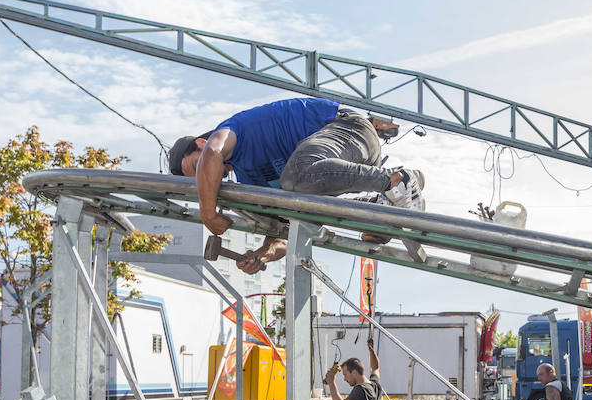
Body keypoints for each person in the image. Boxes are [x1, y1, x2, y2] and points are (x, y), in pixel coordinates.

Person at [170, 97, 425, 273]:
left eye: (196, 168)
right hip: (346, 161)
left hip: (348, 128)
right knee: (291, 201)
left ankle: (396, 180)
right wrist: (262, 255)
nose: (204, 179)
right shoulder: (249, 180)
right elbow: (285, 231)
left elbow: (213, 153)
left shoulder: (227, 132)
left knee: (295, 177)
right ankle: (376, 208)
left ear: (201, 146)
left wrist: (208, 213)